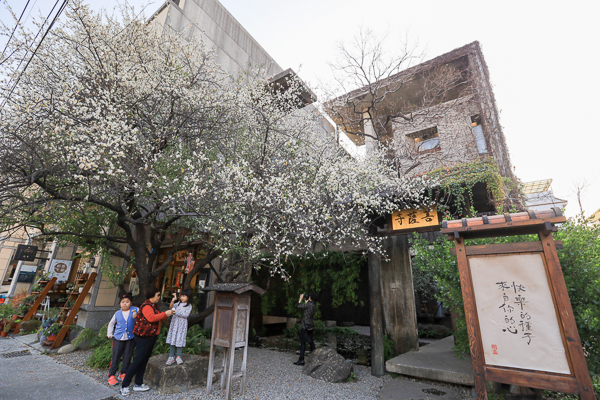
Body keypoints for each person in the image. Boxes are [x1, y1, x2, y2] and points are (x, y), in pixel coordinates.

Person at [120, 288, 175, 397]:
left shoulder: (154, 305)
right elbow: (151, 318)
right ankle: (124, 385)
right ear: (152, 296)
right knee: (137, 360)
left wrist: (167, 313)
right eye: (158, 295)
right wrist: (165, 314)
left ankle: (138, 383)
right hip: (144, 337)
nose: (159, 297)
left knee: (143, 360)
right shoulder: (147, 306)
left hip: (150, 336)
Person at [106, 294, 139, 386]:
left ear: (131, 303)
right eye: (123, 302)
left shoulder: (136, 310)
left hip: (130, 338)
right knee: (116, 356)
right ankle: (111, 375)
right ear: (120, 303)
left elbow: (141, 320)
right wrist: (110, 334)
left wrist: (137, 317)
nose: (125, 304)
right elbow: (111, 324)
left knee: (127, 356)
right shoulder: (117, 313)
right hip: (118, 338)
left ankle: (123, 373)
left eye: (127, 302)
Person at [165, 289, 193, 365]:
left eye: (184, 296)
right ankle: (171, 357)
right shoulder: (177, 304)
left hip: (182, 325)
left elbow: (185, 315)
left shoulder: (189, 306)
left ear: (188, 297)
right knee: (172, 339)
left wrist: (176, 312)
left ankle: (178, 356)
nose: (182, 297)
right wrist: (172, 301)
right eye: (181, 296)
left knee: (179, 340)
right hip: (174, 324)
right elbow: (171, 307)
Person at [293, 292, 318, 366]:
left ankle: (301, 360)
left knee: (303, 342)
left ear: (311, 297)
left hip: (305, 325)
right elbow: (306, 310)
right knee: (310, 341)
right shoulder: (313, 305)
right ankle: (314, 358)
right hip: (311, 325)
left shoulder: (309, 305)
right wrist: (306, 302)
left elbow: (299, 306)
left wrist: (300, 299)